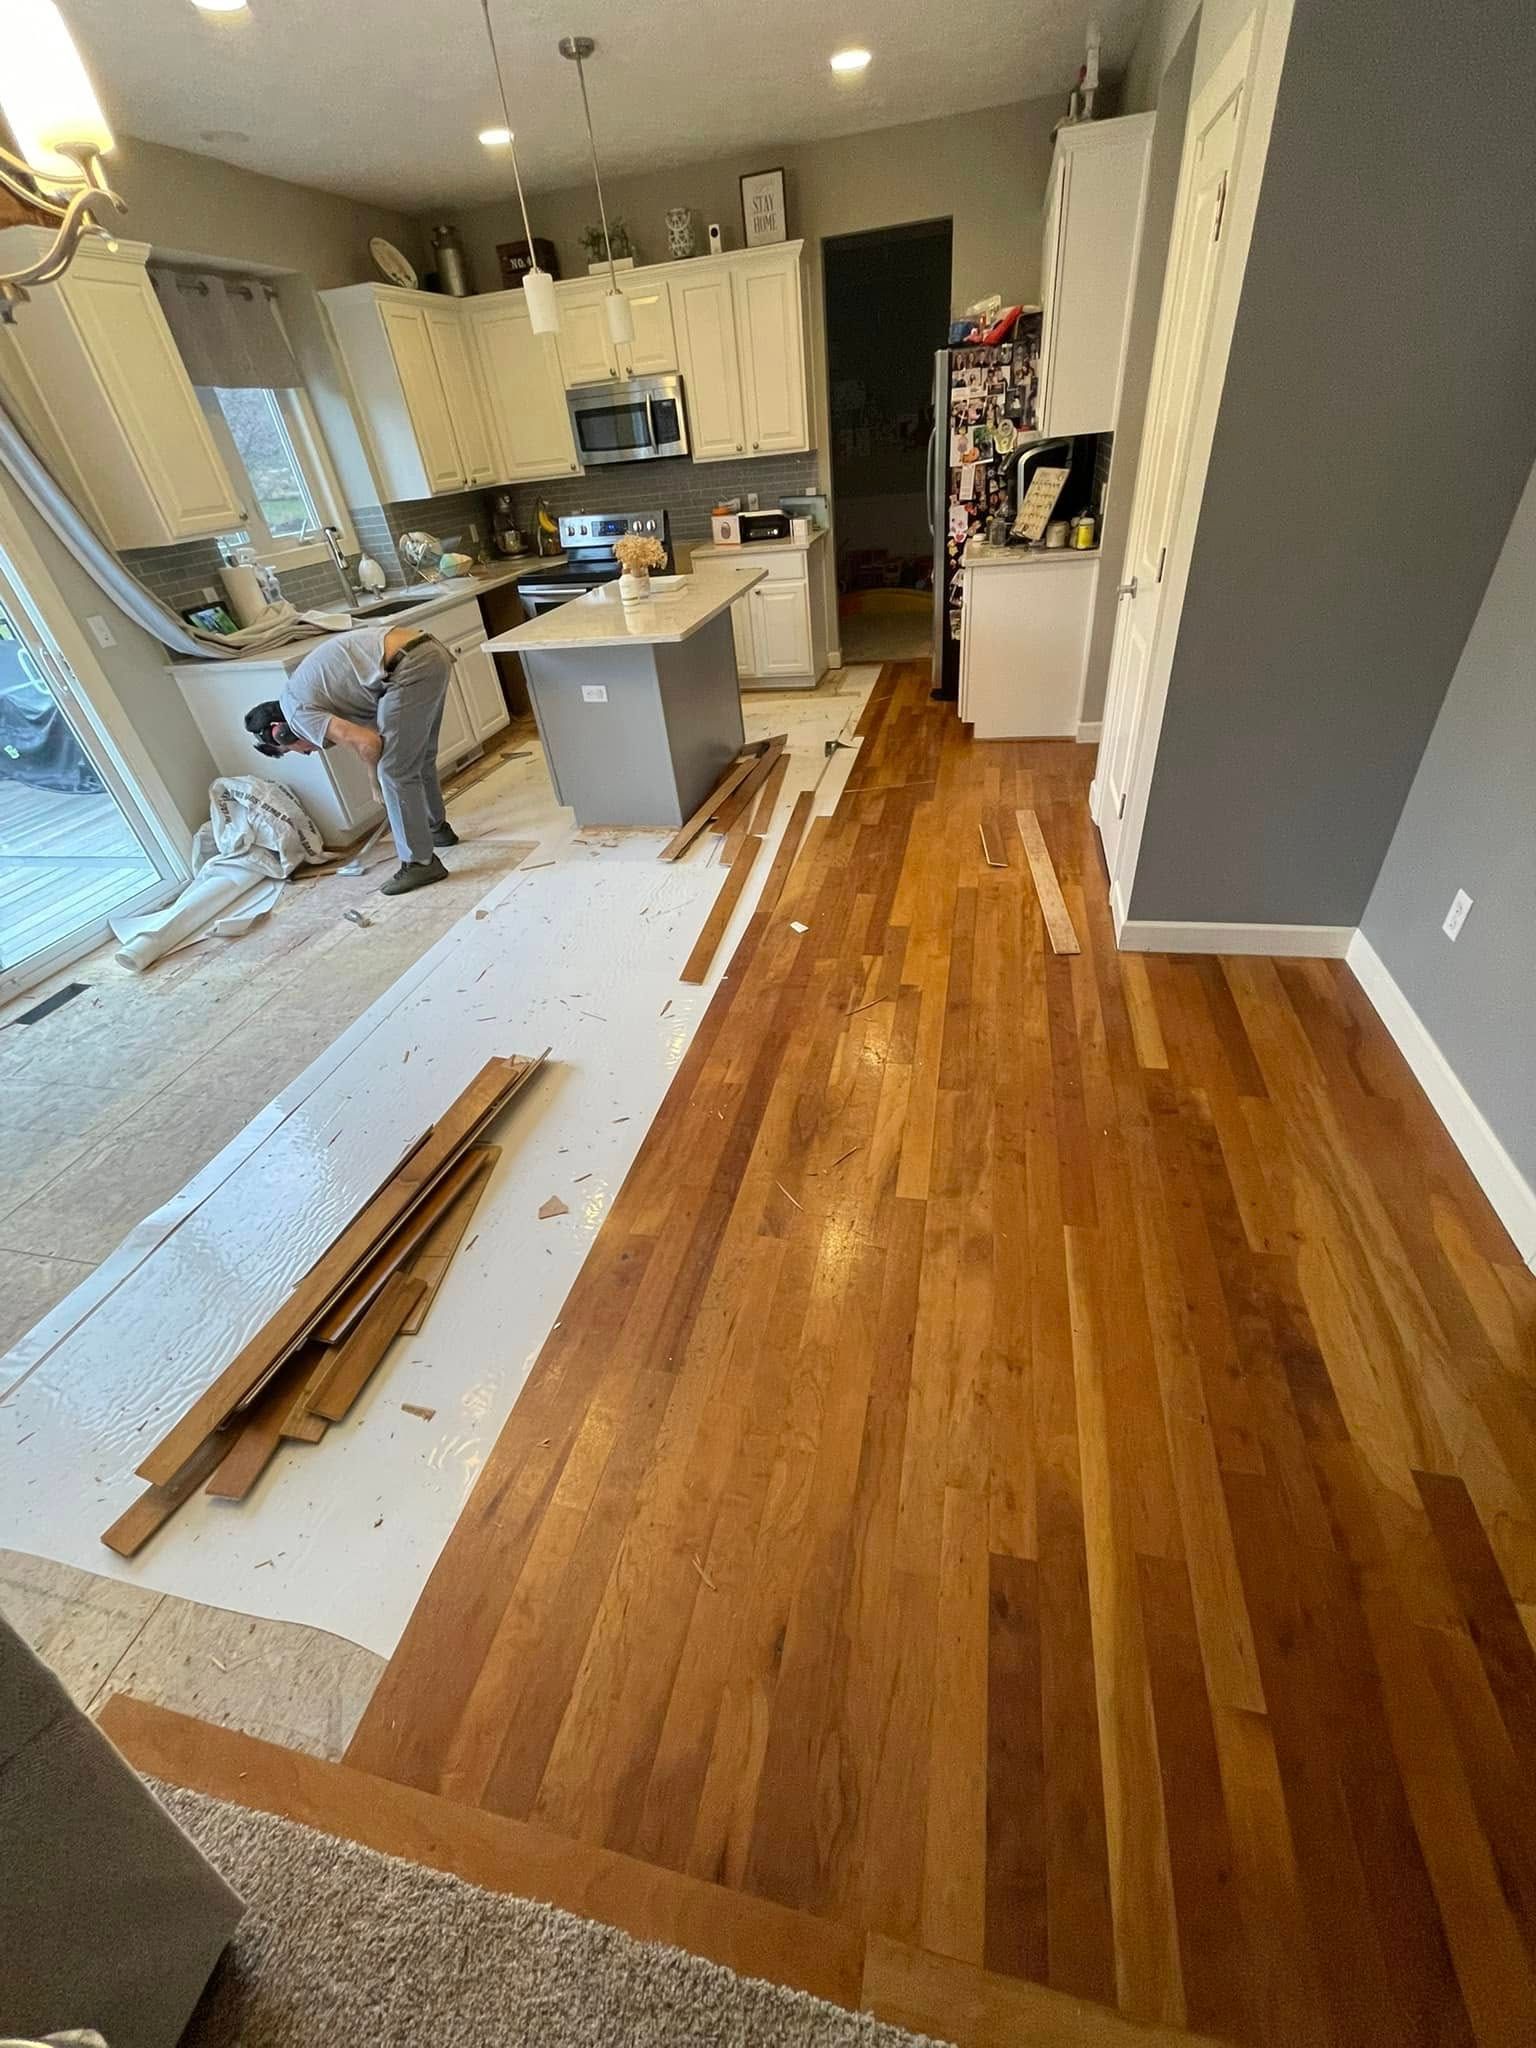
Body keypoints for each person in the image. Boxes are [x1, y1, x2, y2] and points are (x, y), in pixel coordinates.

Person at [244, 622, 459, 895]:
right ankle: (436, 829)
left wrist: (374, 781)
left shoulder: (298, 714)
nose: (309, 752)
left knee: (394, 772)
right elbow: (374, 733)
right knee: (418, 757)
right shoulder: (304, 696)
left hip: (409, 666)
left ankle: (419, 863)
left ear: (283, 733)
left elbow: (368, 743)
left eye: (295, 749)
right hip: (426, 651)